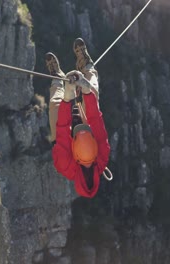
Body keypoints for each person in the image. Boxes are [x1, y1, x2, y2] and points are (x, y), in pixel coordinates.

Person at [46, 38, 110, 198]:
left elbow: (62, 129)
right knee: (93, 90)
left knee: (55, 106)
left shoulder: (65, 165)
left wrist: (68, 96)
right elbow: (95, 119)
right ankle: (86, 65)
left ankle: (57, 80)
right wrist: (87, 91)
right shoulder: (102, 156)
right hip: (87, 127)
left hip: (63, 141)